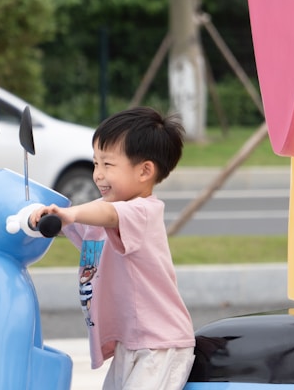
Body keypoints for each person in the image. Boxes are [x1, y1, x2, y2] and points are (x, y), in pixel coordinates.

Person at [30, 106, 195, 390]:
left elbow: (108, 215)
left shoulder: (143, 212)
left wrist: (71, 214)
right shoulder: (100, 211)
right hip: (130, 342)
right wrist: (46, 214)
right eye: (95, 163)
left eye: (108, 164)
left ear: (145, 171)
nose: (98, 174)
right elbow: (79, 219)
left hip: (159, 345)